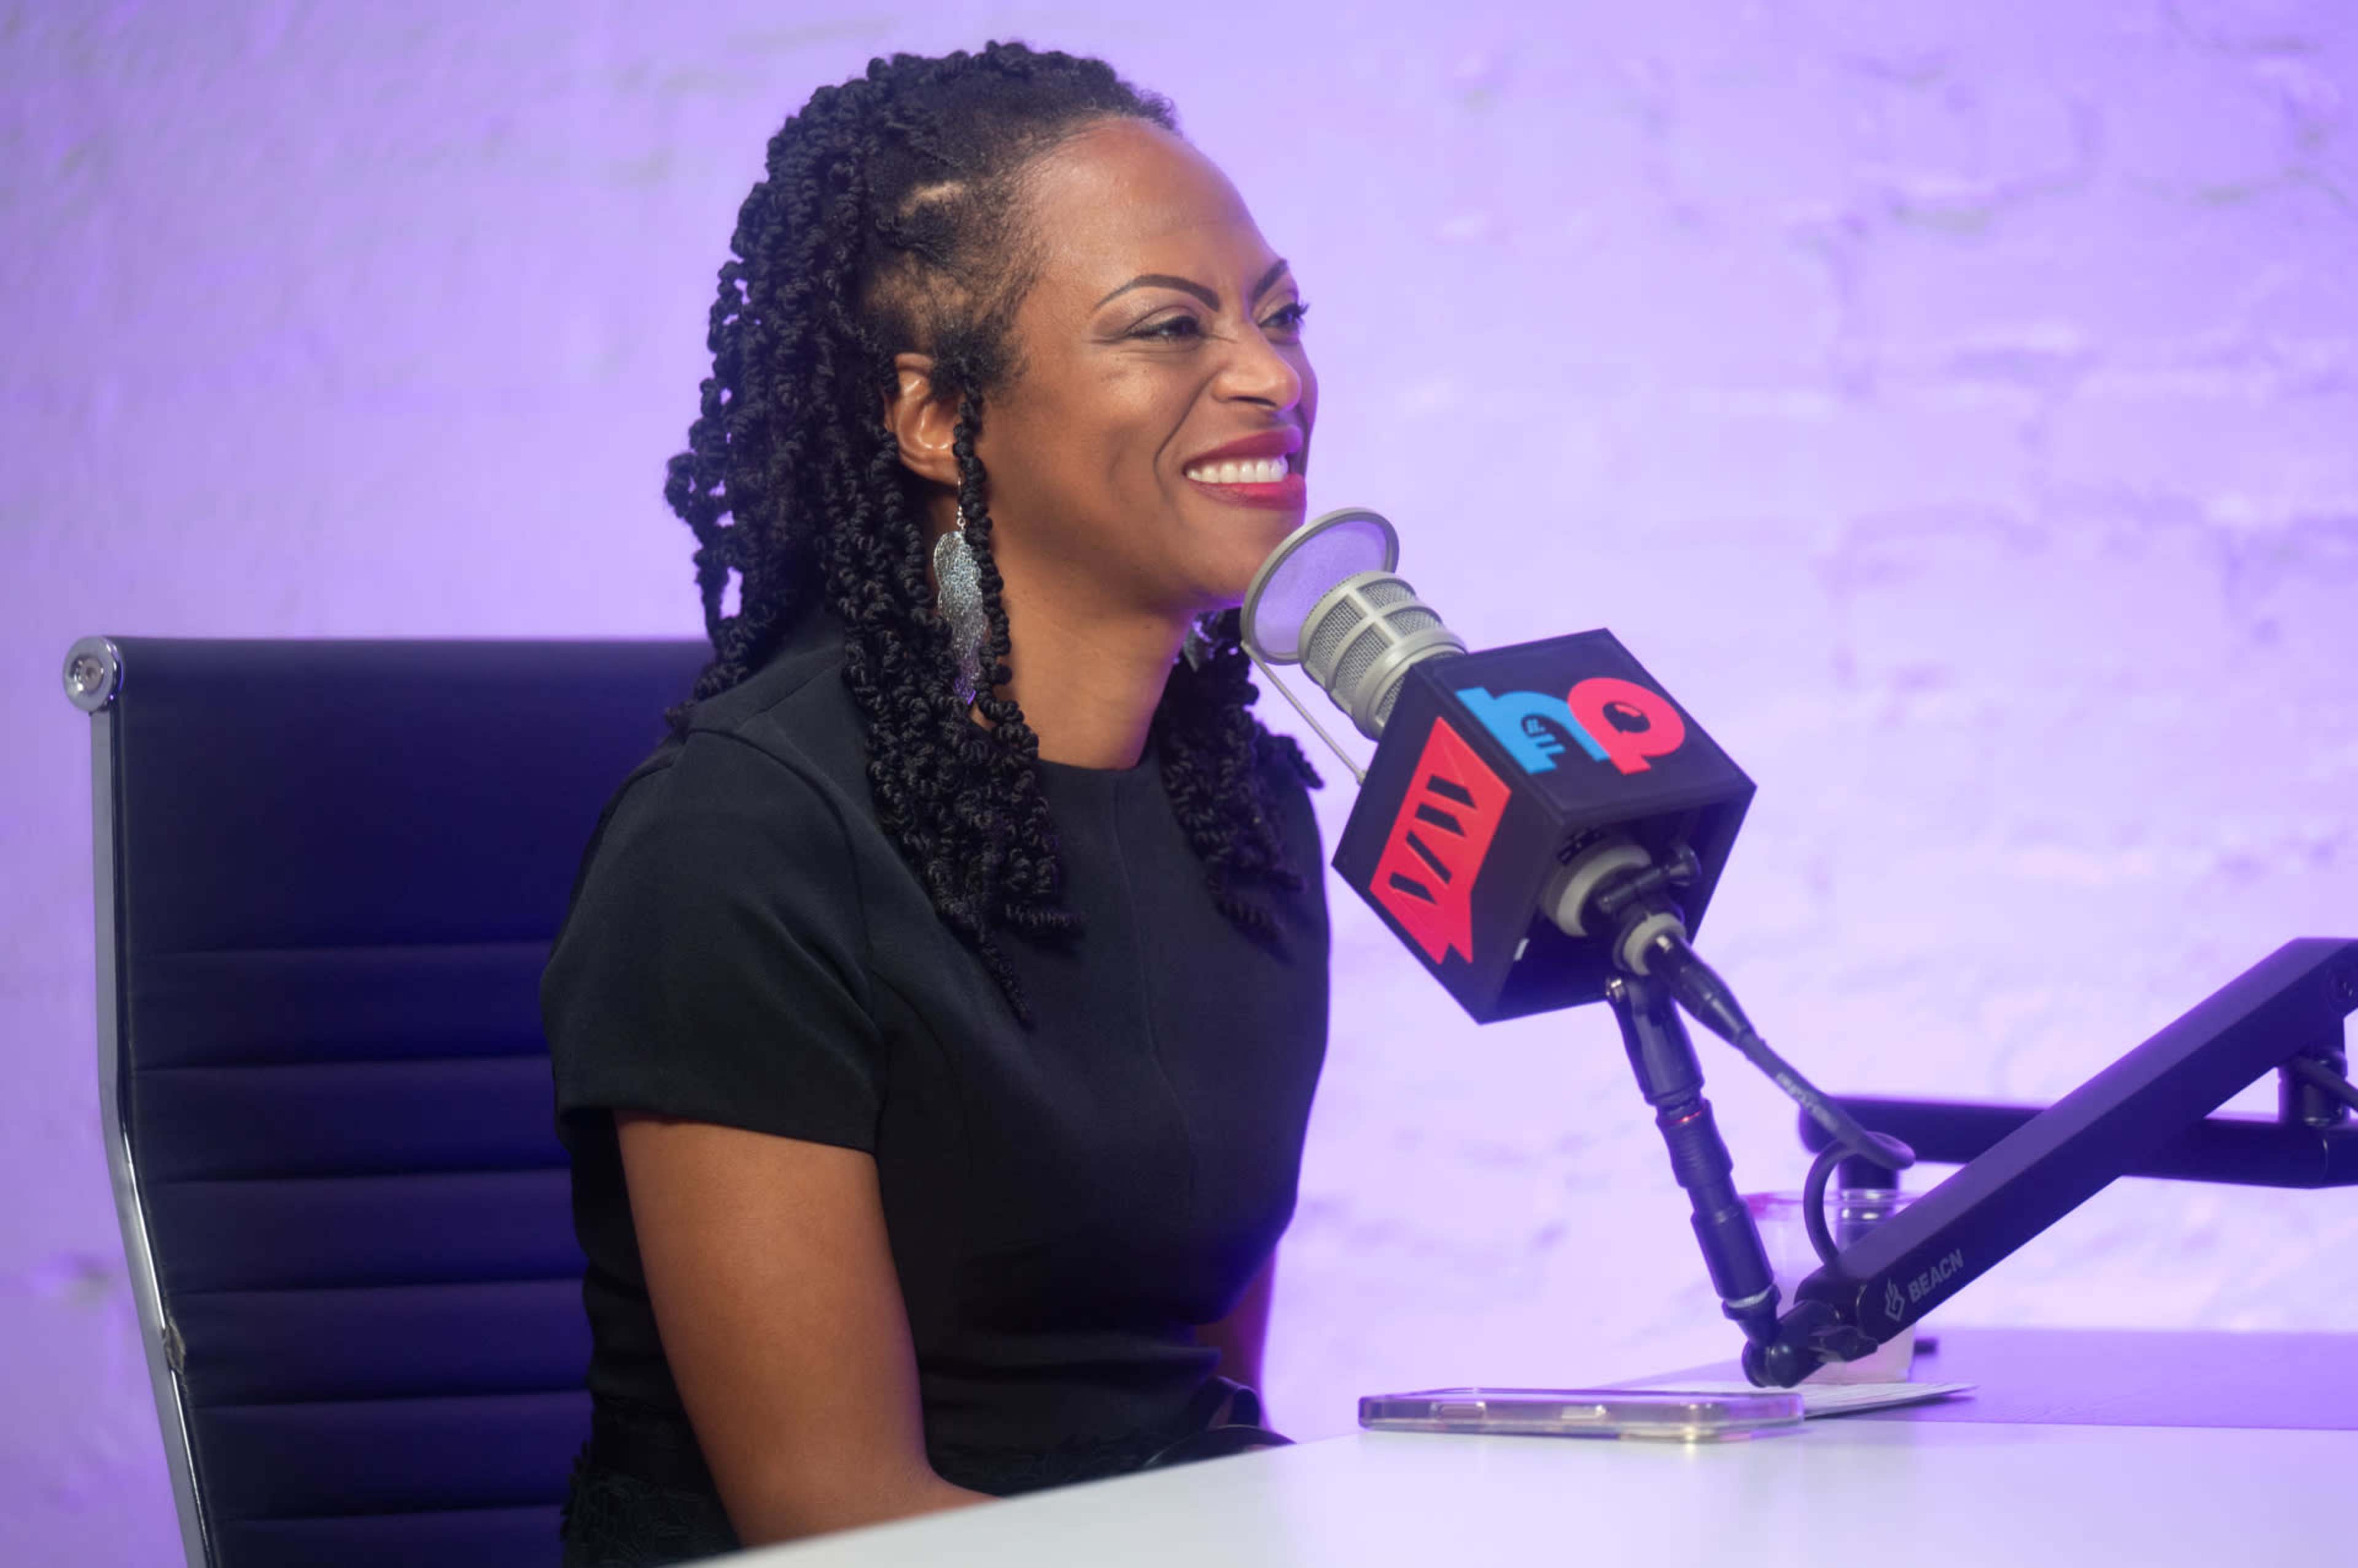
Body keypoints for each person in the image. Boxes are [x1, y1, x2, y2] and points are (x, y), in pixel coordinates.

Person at [542, 42, 1331, 1565]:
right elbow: (836, 1517)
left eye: (1281, 315)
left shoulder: (1242, 812)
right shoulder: (737, 845)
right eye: (1170, 325)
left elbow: (1196, 1409)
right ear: (929, 417)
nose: (1270, 374)